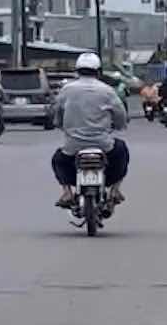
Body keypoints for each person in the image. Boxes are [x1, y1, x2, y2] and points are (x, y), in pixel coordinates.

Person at [50, 52, 130, 209]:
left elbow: (57, 112)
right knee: (122, 151)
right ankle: (115, 190)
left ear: (77, 71)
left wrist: (59, 124)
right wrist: (120, 125)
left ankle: (67, 192)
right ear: (98, 71)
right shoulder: (107, 90)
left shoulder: (67, 90)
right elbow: (120, 114)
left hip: (73, 146)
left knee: (58, 159)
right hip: (103, 145)